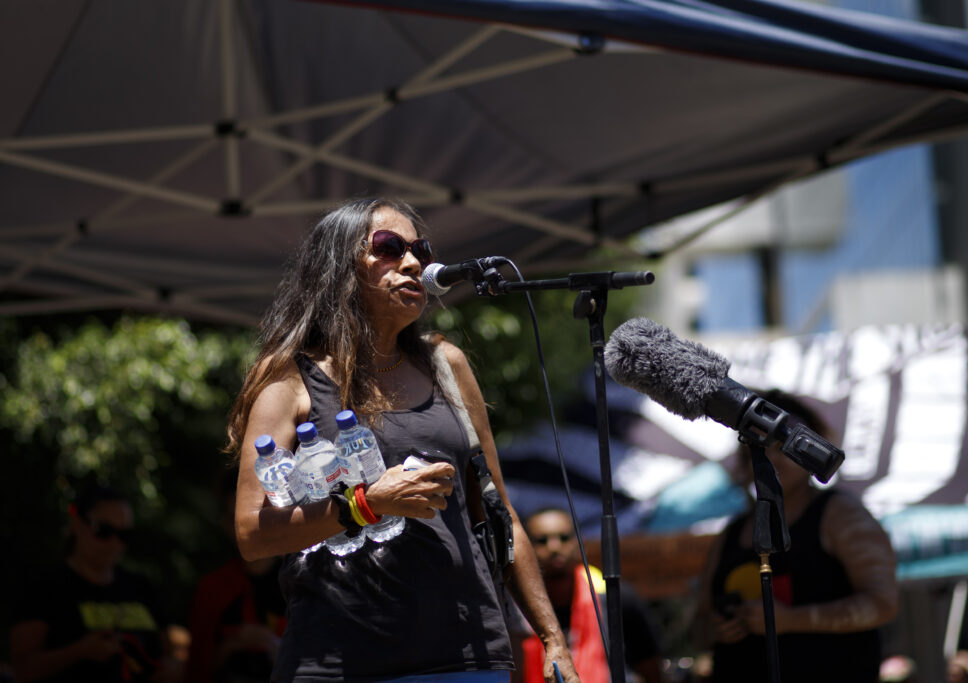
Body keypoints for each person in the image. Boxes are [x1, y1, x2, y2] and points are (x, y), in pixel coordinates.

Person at [225, 197, 579, 683]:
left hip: (466, 653)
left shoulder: (444, 364)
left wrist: (552, 638)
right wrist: (368, 504)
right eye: (389, 248)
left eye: (420, 248)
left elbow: (497, 511)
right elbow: (251, 534)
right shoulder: (292, 379)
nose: (414, 262)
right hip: (340, 660)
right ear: (339, 268)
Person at [694, 389, 899, 683]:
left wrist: (791, 620)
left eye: (784, 444)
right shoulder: (732, 532)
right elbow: (699, 627)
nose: (773, 456)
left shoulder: (839, 514)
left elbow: (883, 604)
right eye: (760, 444)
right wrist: (716, 628)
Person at [9, 484, 176, 682]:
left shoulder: (141, 587)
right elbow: (22, 670)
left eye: (124, 535)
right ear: (78, 524)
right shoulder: (44, 587)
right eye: (103, 531)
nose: (115, 543)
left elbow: (168, 656)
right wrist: (80, 651)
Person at [521, 508, 663, 683]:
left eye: (564, 538)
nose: (554, 547)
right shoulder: (514, 606)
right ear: (525, 548)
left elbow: (650, 667)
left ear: (579, 544)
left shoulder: (615, 598)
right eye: (541, 540)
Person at [186, 470, 287, 683]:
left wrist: (277, 648)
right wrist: (230, 647)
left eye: (259, 514)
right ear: (225, 524)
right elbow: (196, 669)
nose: (250, 527)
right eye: (238, 518)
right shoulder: (212, 590)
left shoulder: (299, 582)